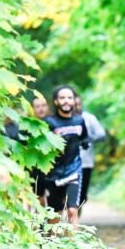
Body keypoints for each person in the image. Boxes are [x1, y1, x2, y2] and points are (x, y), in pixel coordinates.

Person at [43, 85, 88, 225]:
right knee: (54, 215)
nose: (66, 101)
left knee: (72, 210)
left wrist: (86, 142)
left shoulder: (79, 121)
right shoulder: (49, 122)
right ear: (56, 101)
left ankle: (75, 245)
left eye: (69, 98)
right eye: (62, 98)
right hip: (54, 173)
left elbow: (84, 138)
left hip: (74, 169)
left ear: (74, 101)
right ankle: (53, 244)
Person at [74, 93, 107, 213]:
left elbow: (102, 135)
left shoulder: (89, 118)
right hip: (67, 163)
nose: (77, 107)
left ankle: (76, 217)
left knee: (82, 195)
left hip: (85, 163)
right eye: (75, 104)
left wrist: (89, 137)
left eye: (79, 104)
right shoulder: (63, 120)